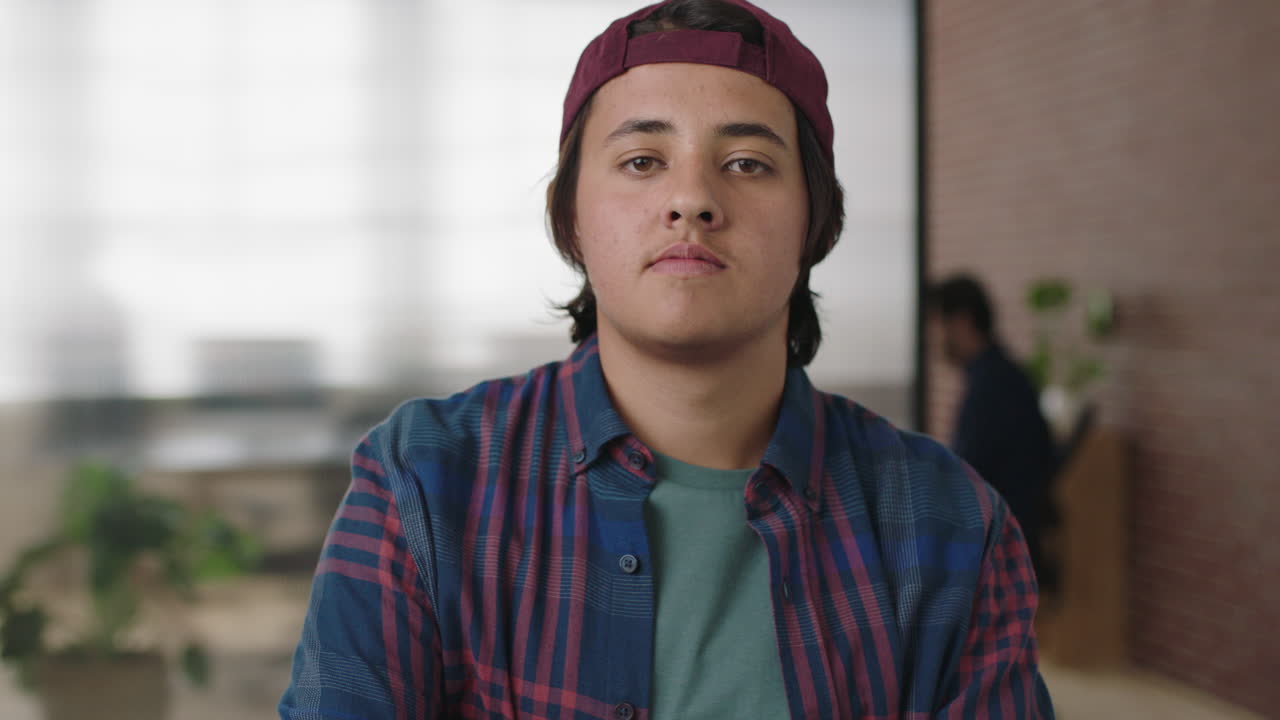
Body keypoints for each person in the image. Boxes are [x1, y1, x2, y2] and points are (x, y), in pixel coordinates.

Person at [280, 2, 1054, 718]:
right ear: (571, 219)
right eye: (643, 160)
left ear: (814, 225)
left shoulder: (948, 522)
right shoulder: (424, 482)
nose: (693, 200)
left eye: (748, 162)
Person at [930, 273, 1058, 592]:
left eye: (935, 325)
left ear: (960, 322)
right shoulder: (1001, 376)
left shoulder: (992, 387)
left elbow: (964, 480)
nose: (931, 338)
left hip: (1002, 559)